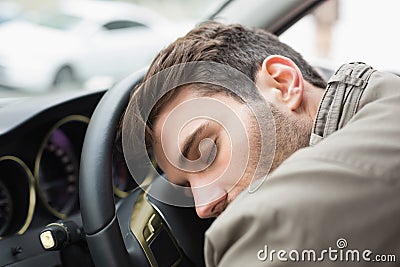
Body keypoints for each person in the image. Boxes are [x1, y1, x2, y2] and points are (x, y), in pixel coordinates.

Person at [122, 21, 400, 266]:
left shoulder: (264, 228)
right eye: (186, 190)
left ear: (282, 83)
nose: (203, 207)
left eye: (208, 152)